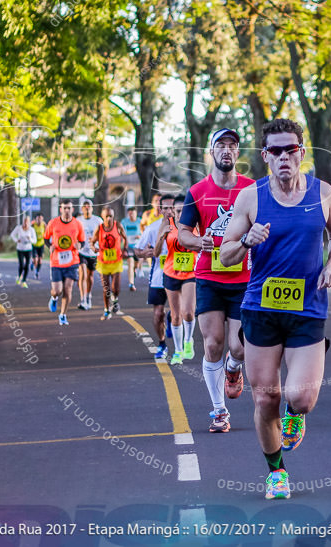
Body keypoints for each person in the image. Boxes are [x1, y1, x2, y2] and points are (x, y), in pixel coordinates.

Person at [219, 118, 331, 500]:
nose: (283, 157)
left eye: (290, 149)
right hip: (261, 309)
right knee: (265, 398)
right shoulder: (251, 198)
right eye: (275, 151)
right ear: (265, 157)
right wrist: (246, 239)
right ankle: (276, 471)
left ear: (302, 153)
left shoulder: (323, 193)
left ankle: (296, 415)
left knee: (301, 398)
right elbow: (225, 255)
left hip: (307, 308)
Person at [177, 128, 254, 433]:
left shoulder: (252, 189)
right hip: (208, 276)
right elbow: (182, 233)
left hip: (244, 278)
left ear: (238, 153)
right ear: (211, 151)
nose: (226, 150)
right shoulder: (197, 192)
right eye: (221, 145)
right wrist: (198, 242)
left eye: (232, 146)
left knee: (239, 348)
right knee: (212, 344)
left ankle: (234, 370)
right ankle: (219, 410)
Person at [158, 195, 197, 365]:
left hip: (190, 273)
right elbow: (155, 252)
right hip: (171, 272)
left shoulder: (195, 225)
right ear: (173, 211)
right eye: (178, 210)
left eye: (184, 211)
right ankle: (178, 352)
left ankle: (188, 341)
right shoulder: (167, 225)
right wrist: (161, 237)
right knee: (175, 316)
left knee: (187, 312)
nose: (181, 214)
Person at [138, 195, 175, 359]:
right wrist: (144, 253)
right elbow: (137, 251)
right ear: (160, 210)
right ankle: (161, 344)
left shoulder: (184, 228)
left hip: (179, 276)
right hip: (158, 277)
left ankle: (171, 317)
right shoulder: (152, 229)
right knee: (157, 314)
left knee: (178, 312)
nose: (169, 211)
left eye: (171, 207)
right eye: (165, 208)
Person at [44, 199, 85, 326]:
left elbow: (82, 241)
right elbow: (46, 238)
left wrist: (79, 245)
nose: (67, 210)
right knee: (57, 290)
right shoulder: (53, 223)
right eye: (64, 208)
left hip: (72, 261)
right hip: (56, 262)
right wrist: (49, 246)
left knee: (68, 289)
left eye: (69, 208)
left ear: (72, 209)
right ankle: (54, 298)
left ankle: (63, 315)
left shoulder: (77, 224)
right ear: (60, 209)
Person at [91, 206, 128, 319]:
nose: (108, 218)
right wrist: (93, 248)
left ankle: (115, 299)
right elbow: (93, 242)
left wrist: (124, 249)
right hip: (103, 262)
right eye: (106, 216)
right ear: (103, 217)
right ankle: (107, 310)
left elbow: (125, 238)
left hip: (116, 261)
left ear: (113, 216)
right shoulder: (99, 228)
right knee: (106, 288)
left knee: (116, 288)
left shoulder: (117, 226)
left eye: (110, 216)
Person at [76, 201, 103, 310]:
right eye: (84, 207)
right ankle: (83, 300)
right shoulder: (78, 221)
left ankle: (88, 295)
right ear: (82, 209)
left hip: (93, 252)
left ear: (92, 208)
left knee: (90, 276)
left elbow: (103, 235)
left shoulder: (98, 220)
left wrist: (98, 245)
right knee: (82, 273)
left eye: (89, 206)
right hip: (81, 251)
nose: (87, 208)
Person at [11, 216, 37, 287]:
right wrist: (16, 240)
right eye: (24, 221)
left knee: (27, 265)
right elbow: (12, 235)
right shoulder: (18, 228)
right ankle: (19, 276)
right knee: (21, 264)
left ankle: (24, 281)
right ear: (23, 221)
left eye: (27, 221)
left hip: (28, 248)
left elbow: (35, 240)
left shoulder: (31, 230)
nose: (26, 223)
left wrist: (30, 239)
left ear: (29, 222)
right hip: (20, 248)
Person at [121, 208, 142, 291]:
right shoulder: (124, 222)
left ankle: (135, 270)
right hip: (128, 246)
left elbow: (144, 232)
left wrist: (140, 236)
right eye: (130, 214)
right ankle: (131, 284)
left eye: (133, 213)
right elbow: (121, 232)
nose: (131, 215)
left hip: (138, 246)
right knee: (130, 262)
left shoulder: (140, 221)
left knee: (136, 264)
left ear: (136, 214)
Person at [31, 214, 46, 280]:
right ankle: (33, 263)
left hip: (41, 244)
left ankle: (37, 271)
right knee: (35, 260)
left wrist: (45, 243)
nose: (39, 220)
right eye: (38, 219)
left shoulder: (44, 225)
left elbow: (47, 234)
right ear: (35, 219)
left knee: (40, 260)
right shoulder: (33, 225)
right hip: (34, 244)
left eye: (40, 219)